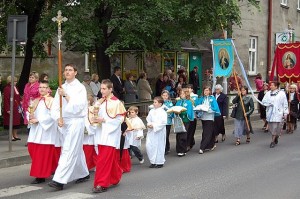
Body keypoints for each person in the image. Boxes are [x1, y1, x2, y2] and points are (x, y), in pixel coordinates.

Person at [48, 64, 90, 190]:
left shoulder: (79, 88)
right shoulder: (62, 87)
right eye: (65, 70)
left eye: (70, 70)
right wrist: (57, 118)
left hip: (76, 121)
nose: (67, 72)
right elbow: (55, 106)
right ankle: (83, 173)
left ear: (75, 72)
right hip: (64, 122)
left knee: (68, 149)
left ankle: (59, 180)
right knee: (76, 148)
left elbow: (79, 106)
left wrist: (65, 95)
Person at [92, 79, 127, 193]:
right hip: (100, 134)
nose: (101, 91)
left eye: (104, 89)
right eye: (101, 88)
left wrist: (104, 120)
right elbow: (94, 114)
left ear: (110, 89)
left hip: (110, 135)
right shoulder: (99, 102)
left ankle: (101, 184)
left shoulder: (117, 103)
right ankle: (115, 177)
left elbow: (120, 119)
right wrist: (94, 119)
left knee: (103, 160)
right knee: (107, 159)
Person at [27, 80, 60, 184]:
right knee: (31, 148)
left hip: (46, 130)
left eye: (44, 87)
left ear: (48, 89)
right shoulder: (36, 100)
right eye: (40, 87)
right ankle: (52, 168)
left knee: (42, 153)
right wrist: (30, 117)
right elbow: (29, 111)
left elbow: (53, 115)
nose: (41, 89)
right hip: (35, 130)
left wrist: (39, 120)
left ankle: (40, 176)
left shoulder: (52, 101)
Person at [262, 81, 288, 148]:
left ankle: (275, 138)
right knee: (272, 128)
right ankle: (274, 139)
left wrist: (285, 112)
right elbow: (263, 102)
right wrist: (269, 104)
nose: (270, 86)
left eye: (272, 85)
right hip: (270, 113)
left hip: (279, 113)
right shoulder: (268, 93)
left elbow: (285, 103)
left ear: (276, 86)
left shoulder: (282, 93)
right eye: (270, 85)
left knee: (278, 128)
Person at [195, 86, 220, 154]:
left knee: (206, 133)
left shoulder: (212, 98)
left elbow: (215, 108)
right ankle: (211, 144)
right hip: (203, 117)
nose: (205, 92)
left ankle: (202, 147)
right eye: (204, 90)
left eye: (207, 90)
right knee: (209, 131)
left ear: (209, 91)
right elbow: (197, 105)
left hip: (209, 117)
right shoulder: (202, 98)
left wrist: (208, 109)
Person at [146, 96, 167, 168]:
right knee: (150, 146)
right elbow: (148, 119)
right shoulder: (151, 111)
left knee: (159, 146)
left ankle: (159, 161)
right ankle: (153, 161)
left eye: (155, 102)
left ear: (160, 104)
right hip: (151, 132)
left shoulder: (163, 112)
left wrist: (154, 126)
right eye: (154, 102)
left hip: (159, 132)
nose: (154, 104)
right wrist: (149, 124)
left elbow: (163, 123)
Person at [174, 88, 194, 156]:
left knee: (183, 135)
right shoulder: (178, 102)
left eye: (182, 93)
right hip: (178, 120)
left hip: (185, 120)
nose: (181, 95)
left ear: (186, 94)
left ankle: (183, 150)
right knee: (178, 135)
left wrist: (182, 112)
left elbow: (189, 111)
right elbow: (175, 108)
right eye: (180, 93)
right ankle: (178, 149)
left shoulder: (188, 102)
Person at [3, 76, 21, 141]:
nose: (16, 82)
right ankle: (11, 136)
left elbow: (18, 97)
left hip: (16, 107)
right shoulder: (7, 88)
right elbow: (6, 99)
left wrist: (20, 103)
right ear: (10, 81)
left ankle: (15, 135)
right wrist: (7, 109)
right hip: (10, 107)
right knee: (10, 122)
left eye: (16, 81)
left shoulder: (16, 87)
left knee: (16, 123)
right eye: (15, 81)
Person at [186, 84, 198, 151]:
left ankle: (188, 144)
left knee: (191, 131)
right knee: (187, 131)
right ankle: (190, 142)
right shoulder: (185, 96)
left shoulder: (195, 97)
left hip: (193, 116)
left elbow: (196, 105)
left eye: (189, 88)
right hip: (186, 116)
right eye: (187, 88)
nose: (188, 89)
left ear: (192, 89)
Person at [161, 90, 173, 154]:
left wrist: (166, 111)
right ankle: (162, 147)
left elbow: (171, 112)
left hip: (167, 121)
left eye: (166, 95)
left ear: (168, 96)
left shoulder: (170, 103)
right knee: (161, 135)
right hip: (160, 122)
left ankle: (167, 148)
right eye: (163, 95)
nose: (165, 97)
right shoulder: (159, 103)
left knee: (166, 135)